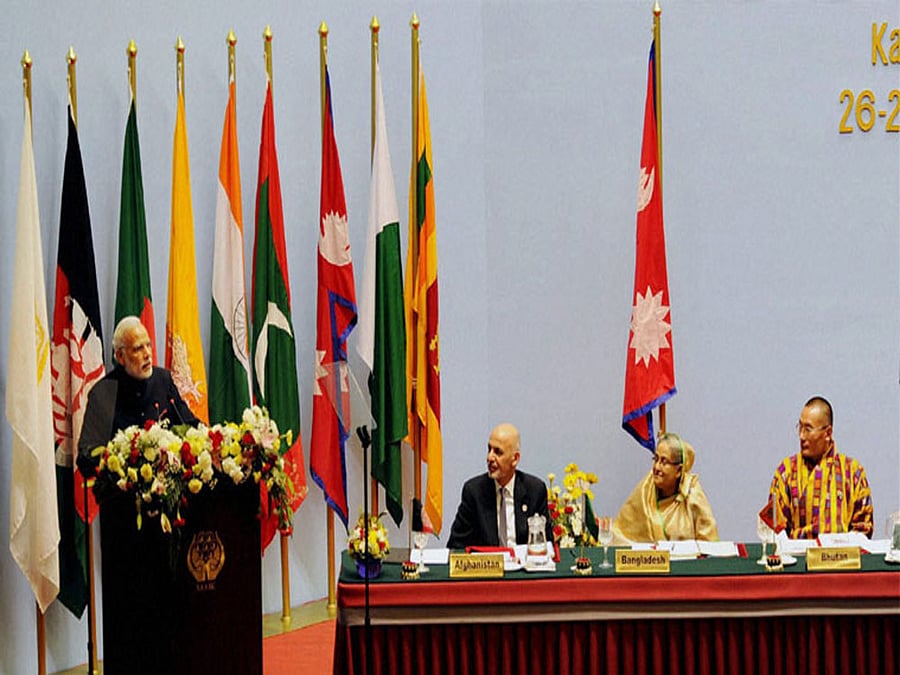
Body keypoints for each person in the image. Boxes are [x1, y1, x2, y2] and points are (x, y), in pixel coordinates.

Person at [77, 315, 199, 477]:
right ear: (120, 357)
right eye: (138, 349)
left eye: (148, 345)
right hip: (121, 494)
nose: (148, 354)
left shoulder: (164, 381)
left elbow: (190, 425)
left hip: (166, 488)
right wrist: (119, 457)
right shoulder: (103, 393)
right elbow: (85, 455)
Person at [768, 396, 873, 539]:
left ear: (828, 433)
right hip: (797, 557)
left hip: (841, 558)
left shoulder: (853, 472)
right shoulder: (786, 471)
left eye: (808, 429)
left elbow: (864, 529)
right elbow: (774, 526)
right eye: (800, 427)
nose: (801, 436)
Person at [447, 423, 552, 549]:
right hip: (487, 567)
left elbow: (546, 546)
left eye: (498, 452)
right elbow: (456, 546)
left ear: (515, 459)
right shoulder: (474, 492)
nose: (490, 457)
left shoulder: (535, 490)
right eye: (489, 449)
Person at [613, 433, 719, 544]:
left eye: (664, 462)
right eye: (656, 459)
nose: (656, 467)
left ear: (678, 470)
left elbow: (709, 546)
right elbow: (620, 534)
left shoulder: (692, 494)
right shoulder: (646, 489)